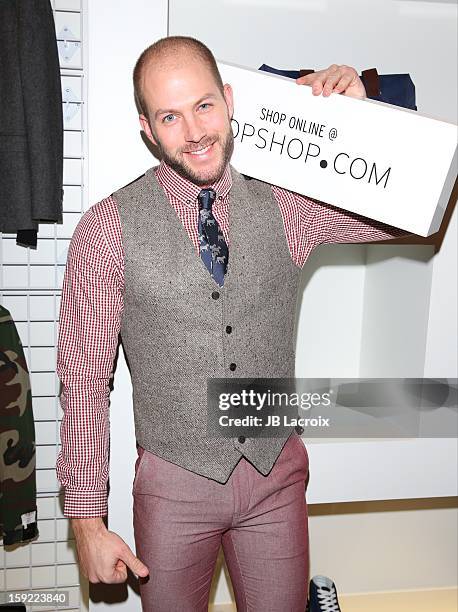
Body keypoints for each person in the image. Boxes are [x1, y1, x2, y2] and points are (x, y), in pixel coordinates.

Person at [55, 36, 408, 611]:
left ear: (229, 99)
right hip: (174, 488)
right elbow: (85, 384)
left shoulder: (290, 201)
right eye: (170, 116)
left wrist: (366, 103)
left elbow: (413, 214)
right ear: (147, 128)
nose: (194, 132)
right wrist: (88, 524)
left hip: (276, 478)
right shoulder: (105, 230)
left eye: (203, 106)